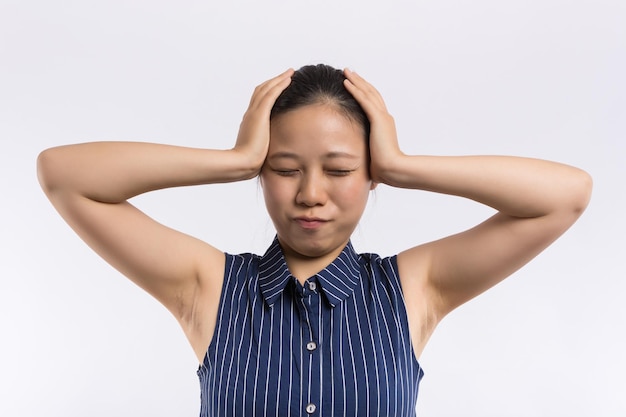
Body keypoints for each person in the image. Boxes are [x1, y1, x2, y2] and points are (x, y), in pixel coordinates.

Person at [37, 64, 592, 416]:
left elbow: (564, 195)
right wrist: (231, 161)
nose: (310, 193)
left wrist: (402, 164)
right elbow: (64, 176)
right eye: (282, 168)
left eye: (339, 169)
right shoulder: (208, 286)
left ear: (370, 171)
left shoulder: (414, 288)